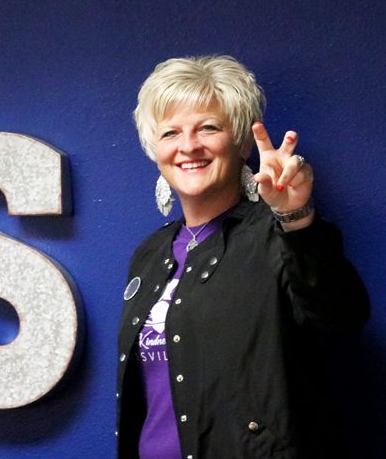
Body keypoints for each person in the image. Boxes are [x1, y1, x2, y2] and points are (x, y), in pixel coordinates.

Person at [116, 55, 369, 459]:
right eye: (170, 133)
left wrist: (295, 216)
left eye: (208, 128)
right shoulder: (149, 255)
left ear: (240, 141)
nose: (188, 146)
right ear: (154, 149)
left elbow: (341, 317)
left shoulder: (279, 234)